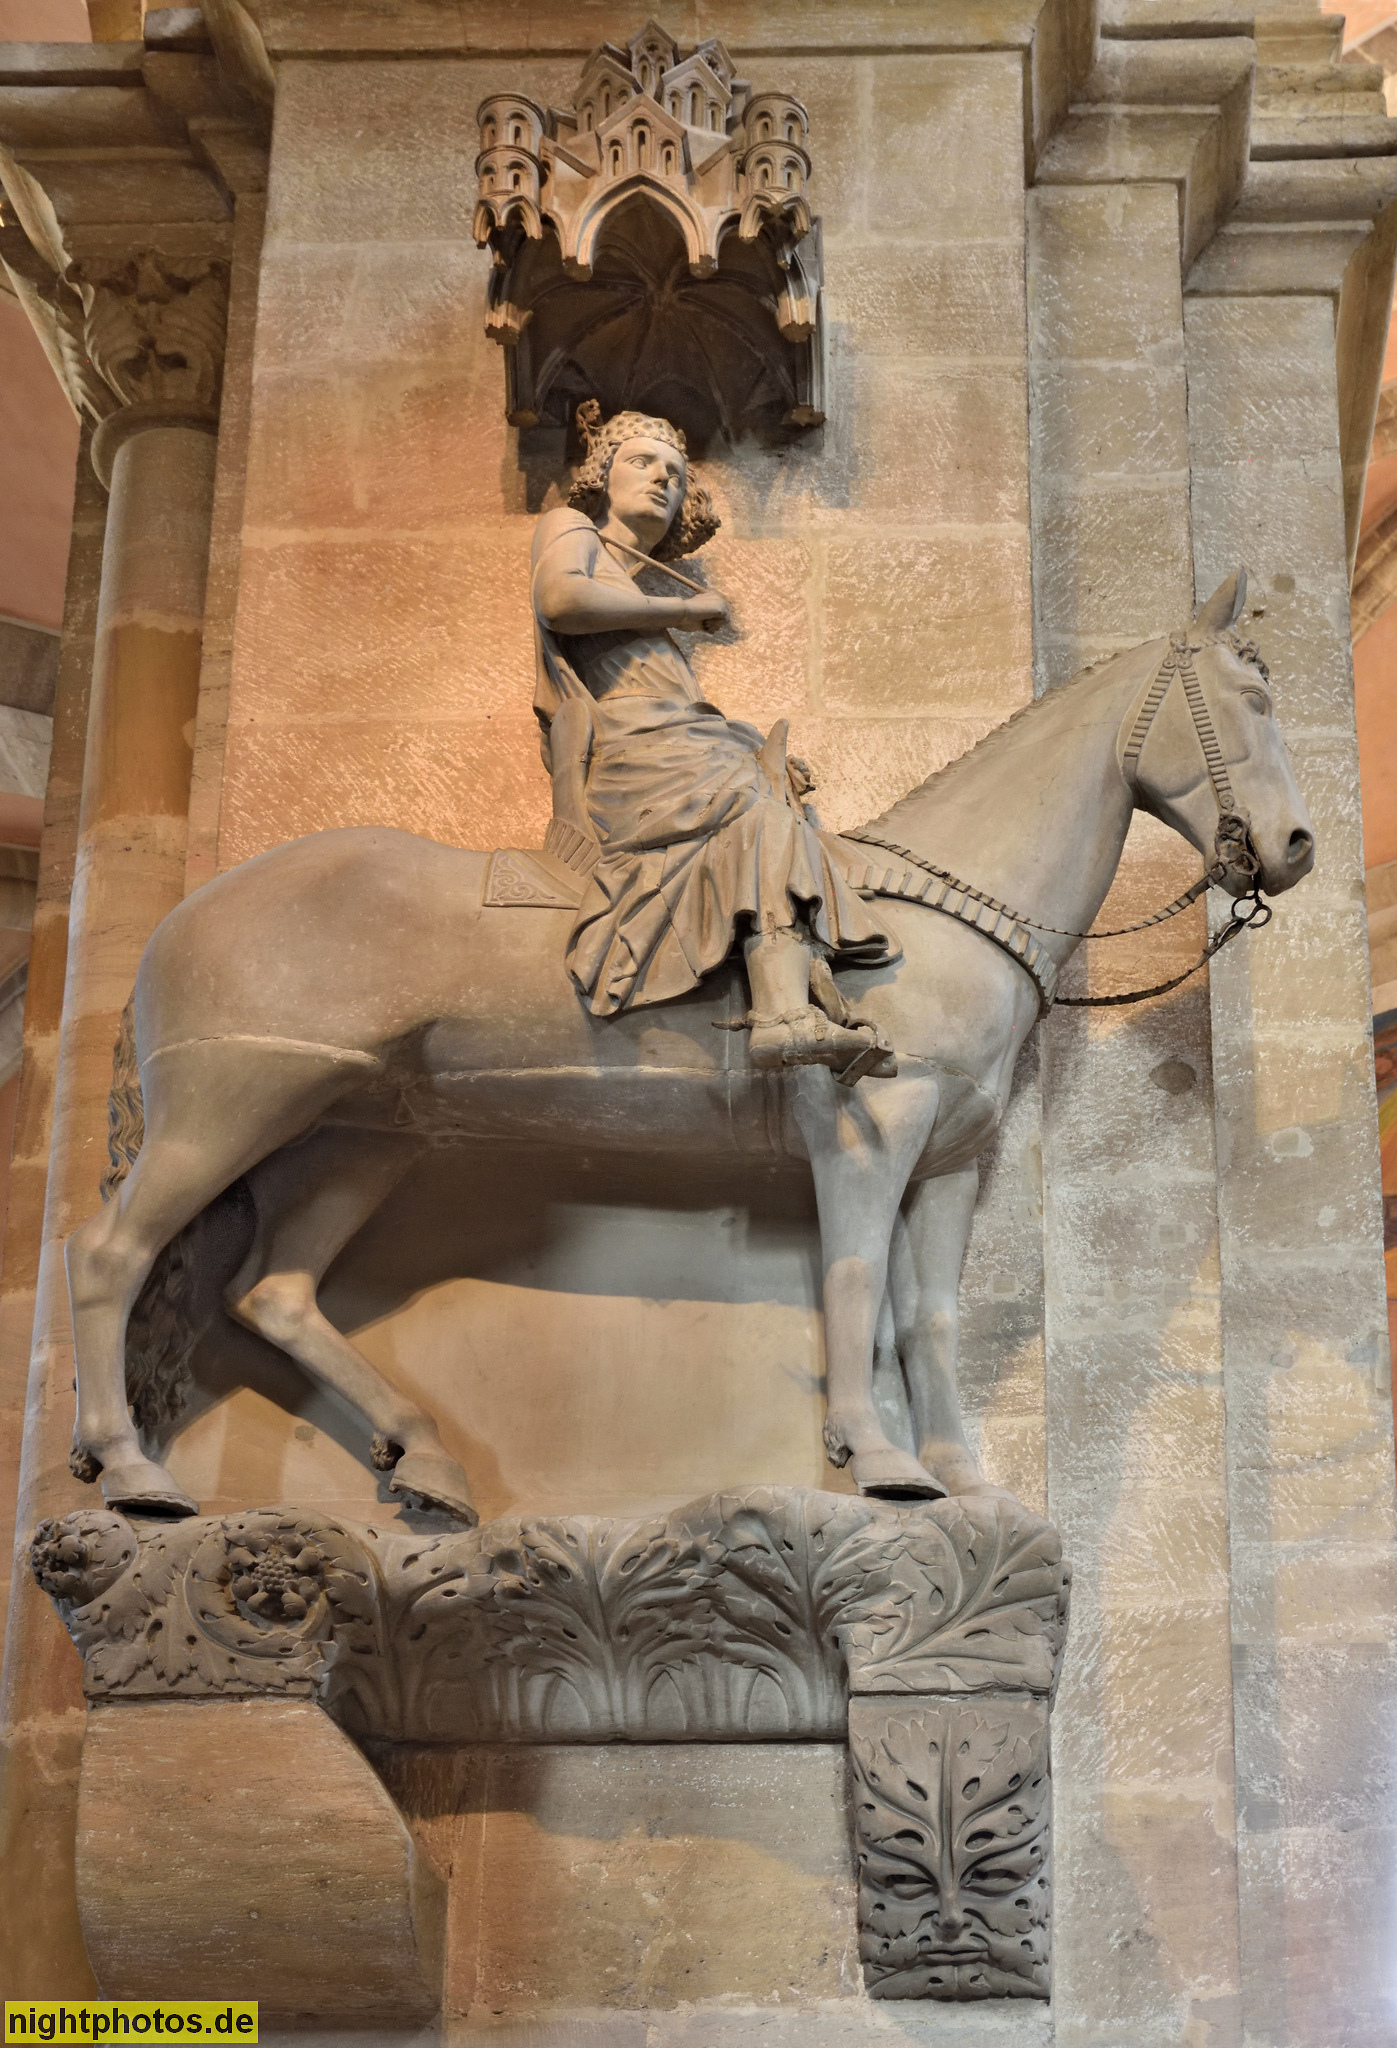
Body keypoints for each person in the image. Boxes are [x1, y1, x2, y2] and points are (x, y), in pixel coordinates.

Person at [531, 402, 899, 1075]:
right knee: (760, 818)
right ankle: (782, 1019)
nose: (662, 478)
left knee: (778, 808)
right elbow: (561, 600)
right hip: (633, 756)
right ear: (602, 475)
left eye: (675, 473)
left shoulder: (628, 584)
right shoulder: (570, 527)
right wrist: (684, 608)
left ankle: (799, 979)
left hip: (672, 745)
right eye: (641, 462)